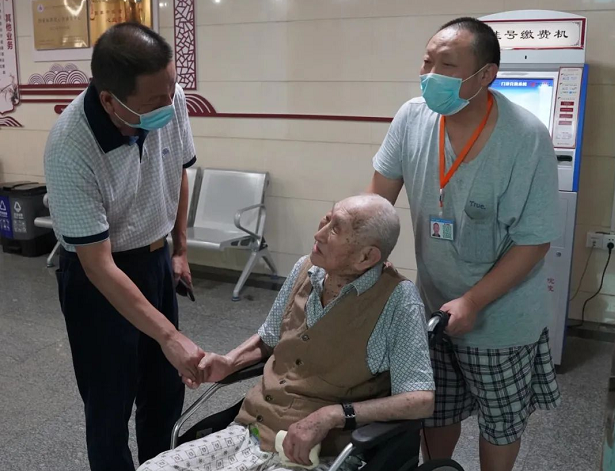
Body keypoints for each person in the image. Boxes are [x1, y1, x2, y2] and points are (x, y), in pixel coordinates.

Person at [367, 17, 561, 471]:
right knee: (436, 408)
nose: (431, 75)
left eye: (447, 65)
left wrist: (473, 301)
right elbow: (377, 205)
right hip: (432, 305)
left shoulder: (525, 138)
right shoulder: (412, 117)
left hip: (500, 317)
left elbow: (533, 243)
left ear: (485, 75)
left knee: (500, 422)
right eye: (427, 62)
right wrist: (365, 258)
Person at [138, 194, 435, 471]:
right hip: (251, 430)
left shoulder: (397, 300)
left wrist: (334, 414)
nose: (319, 233)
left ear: (366, 257)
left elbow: (420, 399)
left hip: (319, 453)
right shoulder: (305, 269)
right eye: (327, 218)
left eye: (335, 229)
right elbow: (269, 339)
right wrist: (229, 362)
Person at [44, 23, 204, 471]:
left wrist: (179, 249)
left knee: (164, 393)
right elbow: (97, 265)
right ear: (110, 100)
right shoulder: (70, 147)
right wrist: (170, 336)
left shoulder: (168, 96)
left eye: (172, 89)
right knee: (109, 405)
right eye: (155, 101)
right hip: (99, 277)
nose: (169, 104)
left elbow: (178, 171)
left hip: (156, 260)